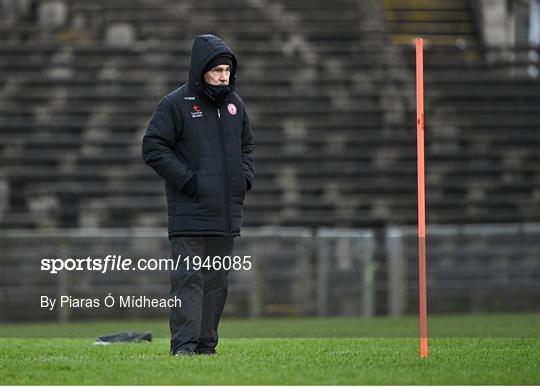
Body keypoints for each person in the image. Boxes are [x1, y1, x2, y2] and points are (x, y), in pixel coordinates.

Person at [142, 34, 255, 356]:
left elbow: (247, 146)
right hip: (190, 214)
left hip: (225, 214)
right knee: (188, 280)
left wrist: (243, 178)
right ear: (200, 69)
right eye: (217, 70)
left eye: (227, 71)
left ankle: (206, 346)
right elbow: (152, 147)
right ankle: (184, 346)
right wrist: (190, 182)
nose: (223, 77)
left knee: (216, 283)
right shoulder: (175, 103)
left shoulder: (236, 105)